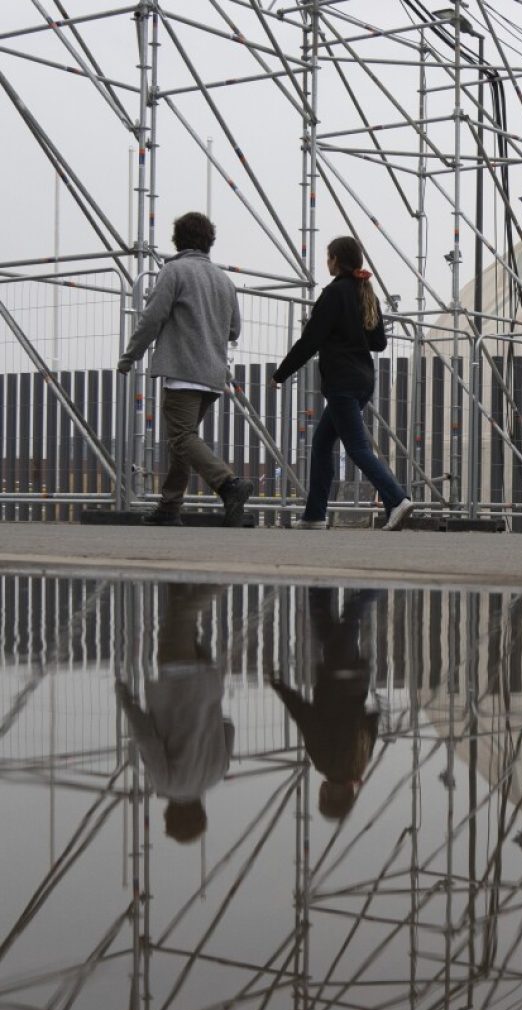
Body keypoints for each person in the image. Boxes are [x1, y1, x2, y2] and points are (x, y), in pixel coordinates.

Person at [117, 211, 253, 528]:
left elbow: (153, 318)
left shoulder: (174, 271)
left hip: (183, 372)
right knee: (184, 440)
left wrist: (129, 357)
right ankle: (169, 506)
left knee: (181, 438)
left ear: (177, 240)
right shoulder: (224, 280)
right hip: (214, 376)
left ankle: (229, 485)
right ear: (210, 241)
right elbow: (234, 330)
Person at [271, 235, 413, 531]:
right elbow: (379, 343)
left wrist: (282, 373)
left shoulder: (334, 294)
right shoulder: (366, 292)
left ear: (336, 259)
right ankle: (314, 515)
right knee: (322, 444)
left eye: (329, 257)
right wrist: (353, 334)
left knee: (357, 448)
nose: (327, 262)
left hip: (342, 382)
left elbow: (311, 340)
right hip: (363, 379)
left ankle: (397, 498)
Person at [115, 583, 234, 844]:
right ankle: (226, 577)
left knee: (181, 613)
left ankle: (180, 562)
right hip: (177, 681)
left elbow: (228, 727)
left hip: (208, 684)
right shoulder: (165, 782)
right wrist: (125, 698)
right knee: (182, 615)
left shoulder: (217, 773)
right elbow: (147, 739)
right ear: (171, 815)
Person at [271, 587, 382, 822]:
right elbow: (305, 717)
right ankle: (379, 585)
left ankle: (319, 585)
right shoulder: (324, 762)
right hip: (334, 676)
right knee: (353, 611)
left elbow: (372, 721)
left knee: (324, 619)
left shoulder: (360, 763)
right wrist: (280, 688)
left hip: (355, 679)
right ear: (326, 795)